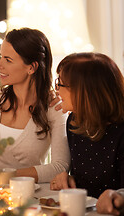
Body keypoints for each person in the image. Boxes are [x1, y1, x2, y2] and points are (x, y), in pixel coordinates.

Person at [0, 28, 70, 184]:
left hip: (30, 200)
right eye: (1, 57)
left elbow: (60, 167)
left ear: (31, 67)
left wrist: (7, 177)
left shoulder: (54, 108)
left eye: (8, 60)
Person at [50, 52, 124, 198]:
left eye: (60, 84)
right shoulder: (74, 122)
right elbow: (89, 184)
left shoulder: (121, 132)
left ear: (83, 91)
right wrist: (70, 180)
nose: (56, 90)